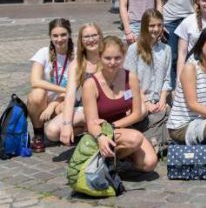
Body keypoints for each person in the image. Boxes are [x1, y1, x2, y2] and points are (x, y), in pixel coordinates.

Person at [82, 36, 157, 173]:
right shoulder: (91, 84)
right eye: (107, 58)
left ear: (123, 57)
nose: (112, 62)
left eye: (117, 58)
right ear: (99, 57)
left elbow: (136, 113)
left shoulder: (131, 78)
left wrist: (112, 126)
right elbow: (91, 123)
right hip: (99, 132)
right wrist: (101, 136)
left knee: (150, 163)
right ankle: (108, 160)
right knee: (135, 138)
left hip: (121, 127)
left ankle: (117, 160)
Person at [44, 23, 102, 146]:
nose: (91, 40)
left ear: (100, 36)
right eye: (86, 37)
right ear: (81, 41)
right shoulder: (77, 64)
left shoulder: (108, 57)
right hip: (86, 108)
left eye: (94, 35)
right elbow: (70, 95)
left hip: (106, 106)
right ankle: (86, 129)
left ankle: (95, 127)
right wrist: (67, 124)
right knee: (51, 131)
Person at [124, 9, 172, 152]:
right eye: (152, 25)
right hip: (138, 97)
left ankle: (152, 140)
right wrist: (145, 101)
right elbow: (129, 80)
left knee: (168, 112)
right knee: (146, 113)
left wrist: (162, 100)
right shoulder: (134, 49)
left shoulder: (166, 49)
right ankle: (152, 140)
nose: (156, 29)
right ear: (145, 26)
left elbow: (167, 79)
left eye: (159, 25)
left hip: (158, 100)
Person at [27, 18, 75, 152]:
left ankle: (68, 130)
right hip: (44, 102)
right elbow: (35, 81)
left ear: (69, 34)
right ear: (50, 36)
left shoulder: (76, 55)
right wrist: (63, 89)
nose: (59, 39)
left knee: (68, 102)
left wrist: (53, 105)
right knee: (37, 93)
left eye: (63, 35)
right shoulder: (43, 52)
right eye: (55, 35)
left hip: (64, 102)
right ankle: (38, 134)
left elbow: (76, 90)